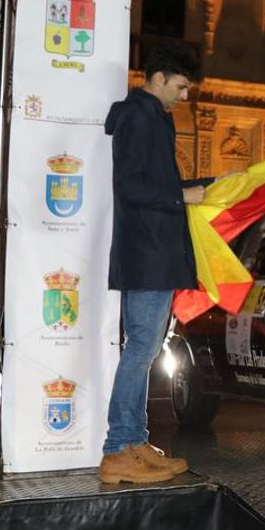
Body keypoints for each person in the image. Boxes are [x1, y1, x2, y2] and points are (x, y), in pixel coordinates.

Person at [100, 43, 212, 485]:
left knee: (144, 347)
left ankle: (134, 442)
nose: (185, 97)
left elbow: (155, 185)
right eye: (182, 87)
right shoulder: (138, 117)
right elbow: (129, 187)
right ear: (159, 77)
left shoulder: (154, 118)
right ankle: (117, 450)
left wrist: (205, 187)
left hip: (154, 252)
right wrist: (182, 195)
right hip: (146, 254)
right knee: (142, 347)